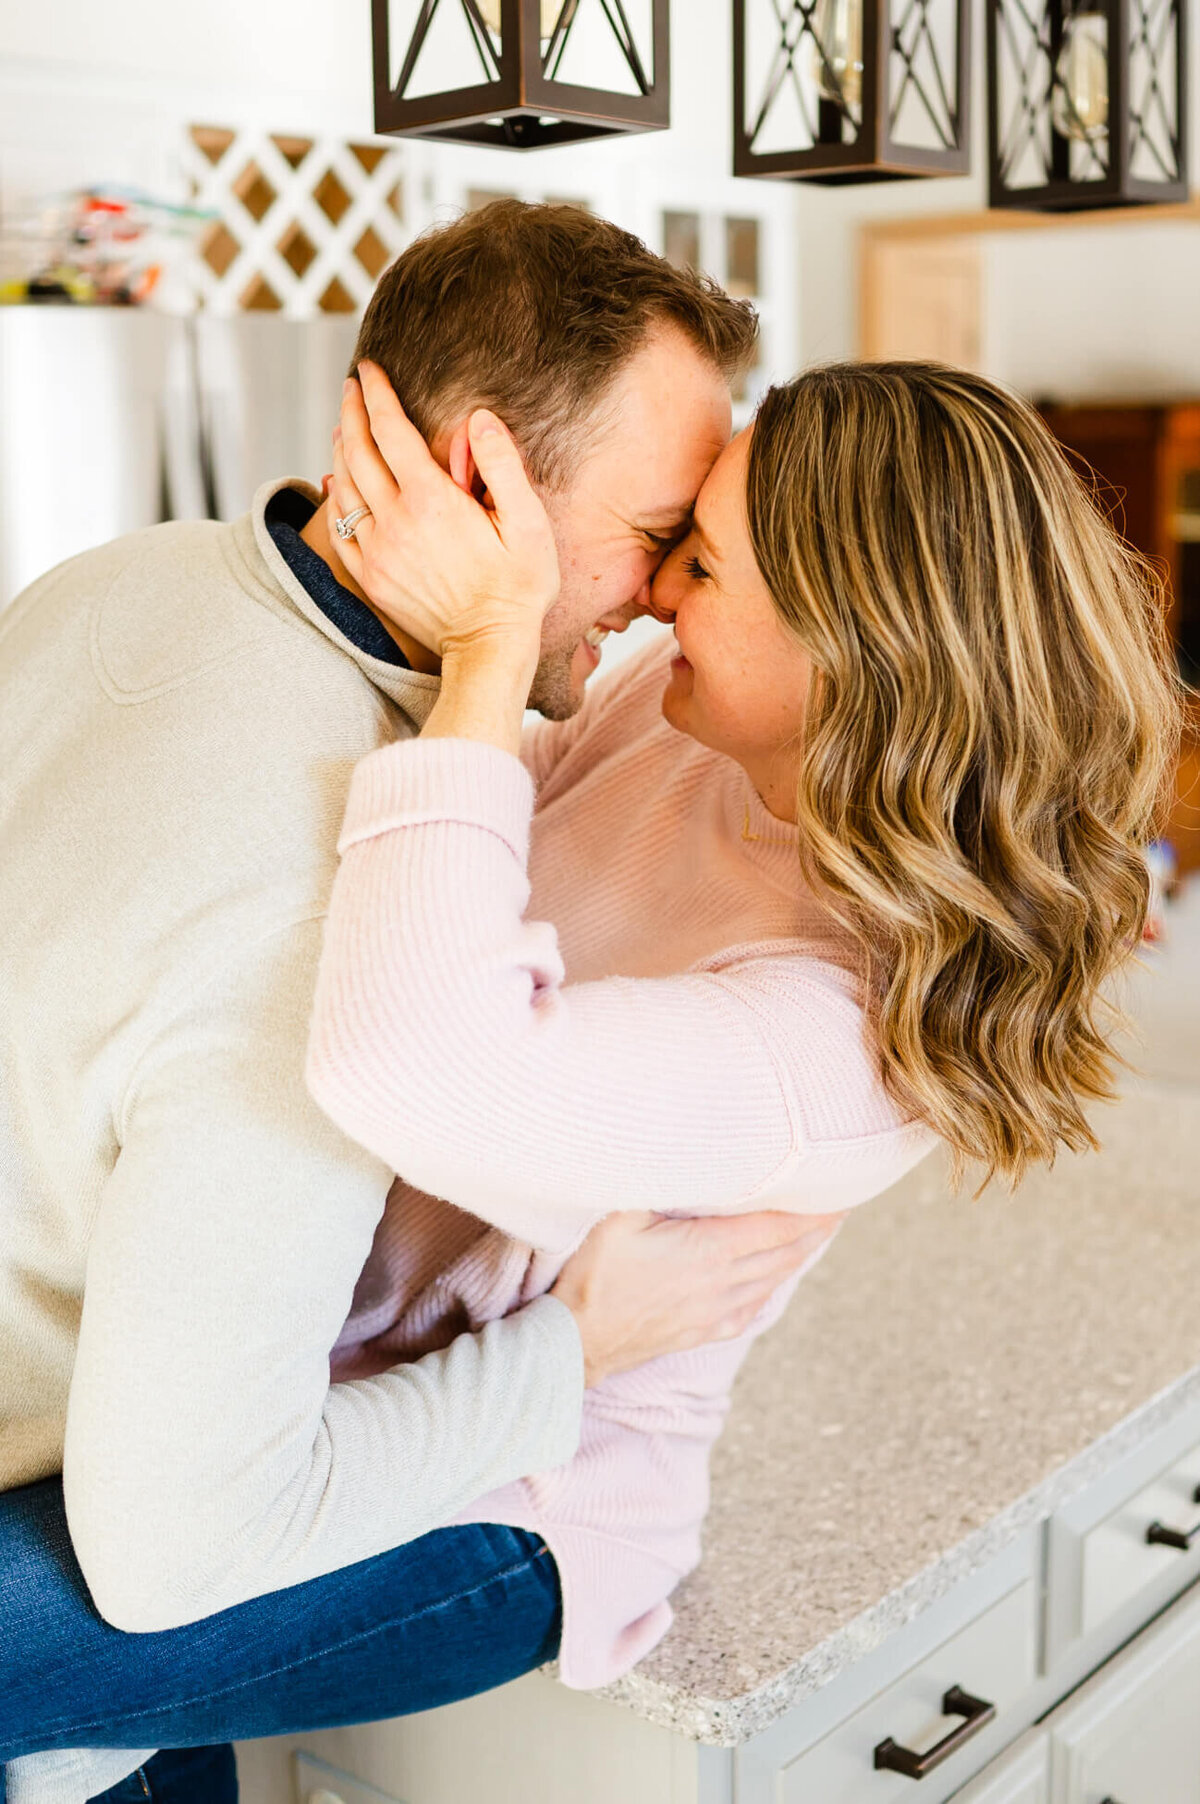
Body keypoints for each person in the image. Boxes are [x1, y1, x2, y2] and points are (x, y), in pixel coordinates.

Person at [0, 203, 839, 1804]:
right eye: (659, 528)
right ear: (478, 490)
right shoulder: (339, 903)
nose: (667, 593)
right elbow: (181, 1544)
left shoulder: (114, 579)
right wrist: (563, 1362)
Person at [294, 351, 1182, 1689]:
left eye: (699, 565)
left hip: (511, 1502)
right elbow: (422, 859)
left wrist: (490, 647)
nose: (654, 593)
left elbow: (406, 1057)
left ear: (850, 647)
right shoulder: (683, 718)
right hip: (308, 1368)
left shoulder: (843, 1047)